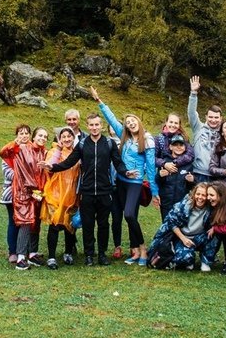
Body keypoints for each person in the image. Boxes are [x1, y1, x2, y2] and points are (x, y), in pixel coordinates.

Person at [45, 113, 126, 266]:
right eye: (91, 125)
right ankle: (89, 254)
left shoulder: (109, 144)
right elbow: (69, 162)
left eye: (97, 125)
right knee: (88, 225)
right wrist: (53, 167)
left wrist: (126, 172)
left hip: (104, 191)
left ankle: (102, 254)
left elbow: (118, 163)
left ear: (101, 126)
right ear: (87, 126)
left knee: (103, 225)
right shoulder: (82, 144)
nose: (94, 128)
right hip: (87, 192)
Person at [93, 86, 159, 265]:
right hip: (120, 181)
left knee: (129, 214)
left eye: (133, 121)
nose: (130, 123)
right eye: (128, 122)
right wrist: (100, 102)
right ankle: (135, 251)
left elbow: (151, 167)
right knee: (130, 217)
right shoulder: (125, 137)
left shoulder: (148, 140)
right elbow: (111, 118)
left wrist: (154, 192)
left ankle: (143, 249)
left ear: (138, 121)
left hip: (135, 183)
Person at [187, 76, 226, 183]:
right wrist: (193, 93)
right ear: (206, 117)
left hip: (218, 174)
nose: (213, 120)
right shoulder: (198, 127)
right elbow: (191, 113)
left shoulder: (224, 131)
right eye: (211, 117)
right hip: (199, 173)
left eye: (216, 117)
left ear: (221, 118)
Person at [0, 124, 47, 270]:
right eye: (40, 135)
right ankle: (20, 256)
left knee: (35, 224)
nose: (42, 138)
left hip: (37, 194)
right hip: (23, 192)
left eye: (45, 136)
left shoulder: (43, 152)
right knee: (25, 222)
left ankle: (32, 254)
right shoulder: (20, 149)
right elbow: (4, 153)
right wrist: (16, 142)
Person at [147, 182, 215, 271]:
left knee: (216, 234)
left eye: (204, 195)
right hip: (183, 237)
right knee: (184, 259)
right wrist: (183, 239)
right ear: (194, 194)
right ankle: (188, 259)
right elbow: (171, 222)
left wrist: (214, 227)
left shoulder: (211, 207)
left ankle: (205, 261)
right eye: (198, 194)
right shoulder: (184, 206)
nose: (200, 198)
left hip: (200, 236)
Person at [42, 127, 80, 269]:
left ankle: (68, 253)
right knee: (55, 224)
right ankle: (51, 257)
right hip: (56, 193)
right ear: (59, 138)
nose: (66, 139)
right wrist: (57, 152)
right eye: (63, 137)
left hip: (71, 193)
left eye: (69, 136)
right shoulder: (53, 152)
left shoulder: (77, 153)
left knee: (69, 225)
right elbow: (49, 167)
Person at [155, 133, 194, 221]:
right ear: (170, 147)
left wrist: (192, 180)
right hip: (166, 202)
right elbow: (157, 181)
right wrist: (160, 176)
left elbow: (193, 185)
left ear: (185, 147)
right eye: (175, 145)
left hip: (182, 203)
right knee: (166, 227)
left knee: (180, 228)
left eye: (181, 145)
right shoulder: (165, 162)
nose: (178, 147)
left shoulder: (188, 164)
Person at [0, 158, 17, 263]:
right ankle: (13, 251)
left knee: (26, 224)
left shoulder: (29, 150)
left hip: (27, 193)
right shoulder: (8, 156)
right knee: (14, 222)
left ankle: (24, 250)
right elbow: (10, 174)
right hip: (11, 194)